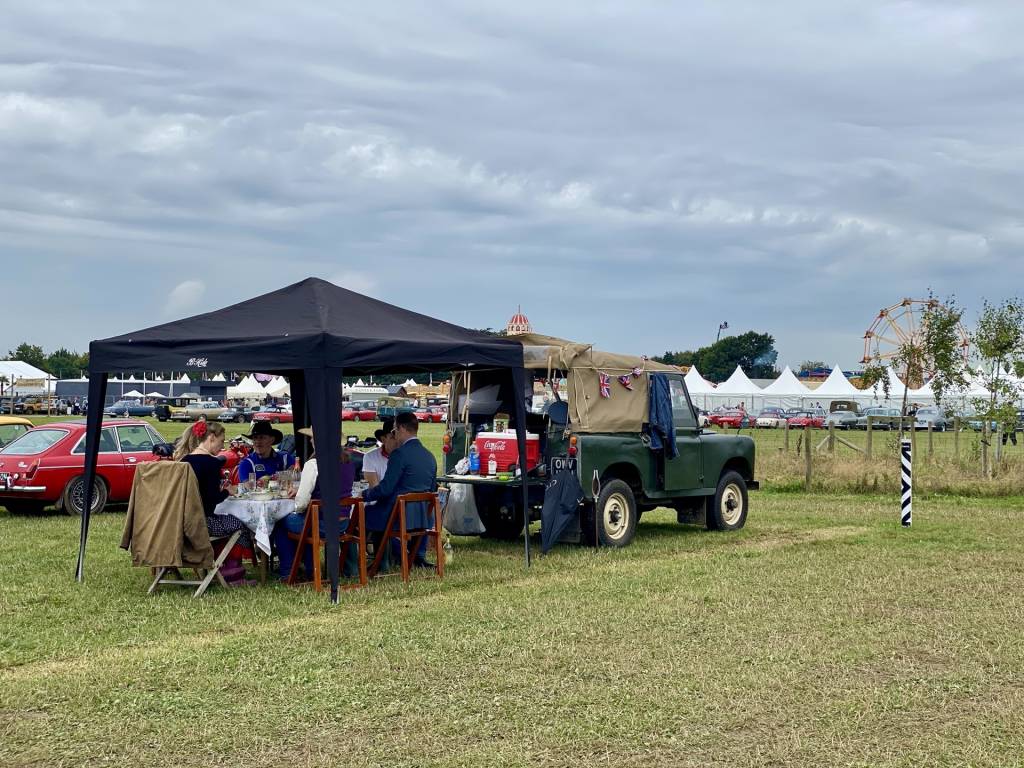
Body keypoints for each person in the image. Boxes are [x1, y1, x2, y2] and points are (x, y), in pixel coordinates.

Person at [272, 427, 357, 580]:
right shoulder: (348, 462)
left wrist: (295, 504)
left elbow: (302, 503)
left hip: (322, 525)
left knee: (280, 521)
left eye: (313, 438)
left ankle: (288, 571)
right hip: (343, 524)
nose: (311, 440)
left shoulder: (314, 464)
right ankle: (309, 567)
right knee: (307, 520)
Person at [174, 420, 251, 585]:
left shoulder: (183, 461)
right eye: (221, 441)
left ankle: (218, 564)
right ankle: (231, 573)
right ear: (211, 438)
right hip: (202, 524)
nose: (222, 447)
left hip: (179, 523)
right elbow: (211, 499)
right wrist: (227, 491)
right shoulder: (211, 463)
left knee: (225, 522)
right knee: (240, 524)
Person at [362, 411, 438, 569]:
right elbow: (431, 490)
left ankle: (377, 561)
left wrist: (365, 495)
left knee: (361, 514)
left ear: (402, 428)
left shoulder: (399, 454)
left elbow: (385, 489)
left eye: (394, 430)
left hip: (397, 515)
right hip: (422, 516)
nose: (394, 434)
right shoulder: (429, 456)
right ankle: (406, 557)